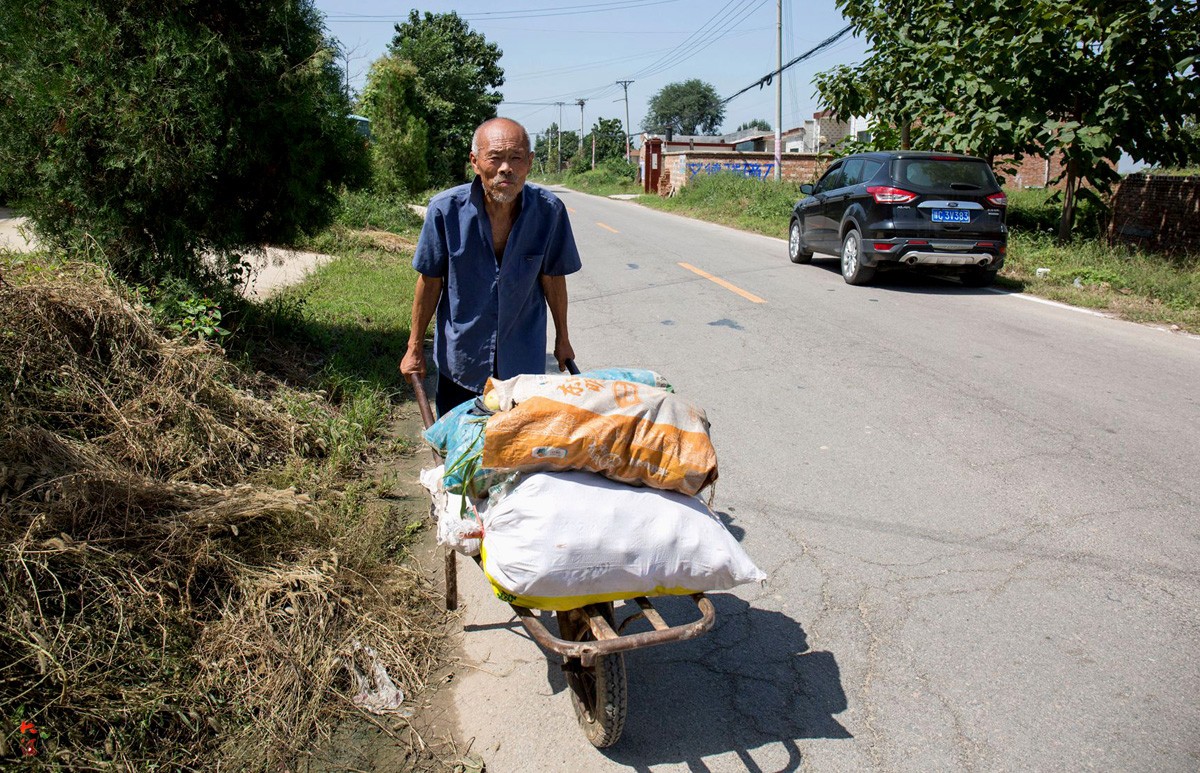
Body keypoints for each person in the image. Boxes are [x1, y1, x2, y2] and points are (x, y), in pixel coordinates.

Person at [400, 117, 581, 416]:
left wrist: (563, 338)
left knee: (519, 451)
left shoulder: (549, 212)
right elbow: (430, 281)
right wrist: (414, 347)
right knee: (459, 449)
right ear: (474, 161)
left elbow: (553, 278)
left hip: (523, 362)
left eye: (516, 158)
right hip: (462, 360)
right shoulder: (445, 211)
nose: (505, 168)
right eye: (495, 158)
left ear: (530, 162)